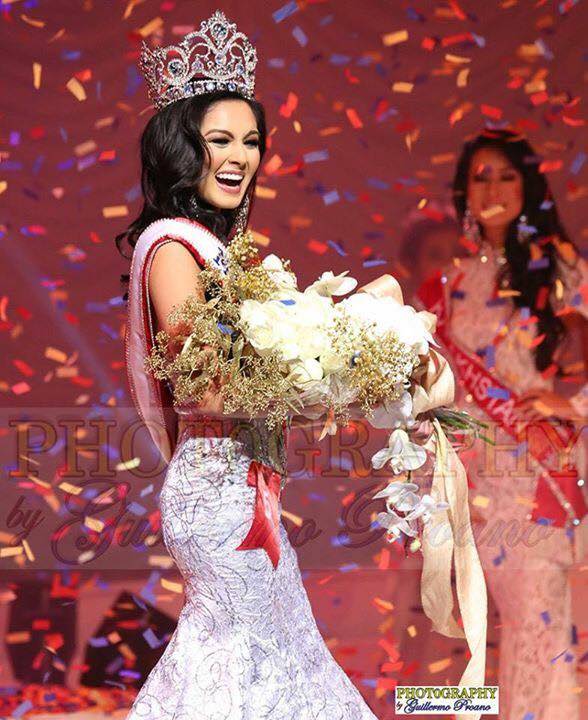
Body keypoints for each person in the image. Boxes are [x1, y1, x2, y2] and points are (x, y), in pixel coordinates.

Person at [116, 11, 378, 719]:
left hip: (244, 487)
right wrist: (314, 370)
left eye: (252, 140)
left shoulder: (212, 247)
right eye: (220, 139)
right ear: (182, 149)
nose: (240, 155)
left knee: (268, 659)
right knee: (249, 657)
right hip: (216, 494)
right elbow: (204, 382)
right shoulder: (173, 248)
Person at [418, 128, 587, 719]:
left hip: (540, 477)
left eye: (505, 175)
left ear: (529, 186)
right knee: (499, 627)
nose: (492, 188)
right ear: (463, 190)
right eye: (480, 176)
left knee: (540, 625)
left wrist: (575, 407)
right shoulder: (452, 283)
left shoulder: (558, 267)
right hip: (477, 482)